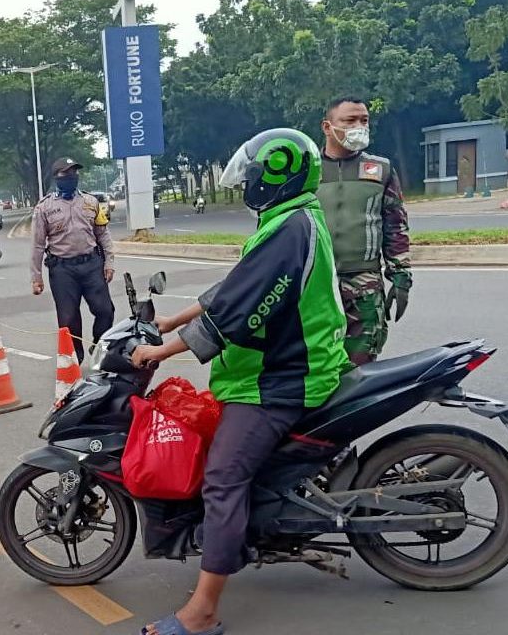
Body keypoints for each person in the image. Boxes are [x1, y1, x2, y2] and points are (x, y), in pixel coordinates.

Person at [130, 129, 349, 635]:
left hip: (281, 379)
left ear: (275, 175)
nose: (247, 183)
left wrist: (161, 350)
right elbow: (233, 287)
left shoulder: (290, 229)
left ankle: (203, 613)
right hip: (280, 369)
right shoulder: (290, 221)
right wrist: (167, 321)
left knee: (223, 480)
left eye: (252, 175)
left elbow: (237, 312)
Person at [316, 96, 412, 366]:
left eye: (364, 120)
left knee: (360, 366)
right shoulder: (306, 170)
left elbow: (396, 225)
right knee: (315, 364)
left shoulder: (381, 169)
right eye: (349, 120)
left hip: (365, 285)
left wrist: (401, 277)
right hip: (315, 284)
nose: (359, 126)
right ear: (327, 127)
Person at [30, 157, 115, 363]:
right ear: (57, 177)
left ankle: (100, 348)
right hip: (62, 270)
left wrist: (109, 262)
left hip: (91, 264)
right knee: (68, 320)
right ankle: (75, 360)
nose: (71, 177)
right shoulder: (44, 207)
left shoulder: (91, 202)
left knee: (105, 310)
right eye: (66, 174)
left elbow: (102, 234)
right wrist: (36, 277)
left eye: (74, 173)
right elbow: (38, 244)